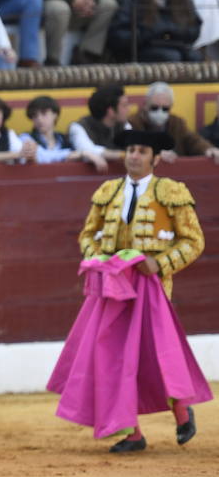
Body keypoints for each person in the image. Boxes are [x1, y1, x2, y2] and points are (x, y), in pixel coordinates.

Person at [56, 128, 208, 452]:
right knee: (113, 358)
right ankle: (132, 433)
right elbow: (88, 235)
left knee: (156, 356)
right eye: (130, 150)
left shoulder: (171, 192)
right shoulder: (108, 191)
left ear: (155, 157)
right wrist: (96, 258)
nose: (134, 155)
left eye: (141, 150)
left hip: (153, 290)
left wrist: (160, 264)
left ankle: (182, 412)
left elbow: (194, 241)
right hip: (113, 289)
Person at [127, 81, 219, 163]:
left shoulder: (177, 123)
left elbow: (193, 140)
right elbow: (132, 145)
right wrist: (155, 152)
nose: (160, 112)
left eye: (165, 109)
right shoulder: (134, 123)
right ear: (146, 104)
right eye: (154, 107)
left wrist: (208, 149)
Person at [25, 94, 106, 170]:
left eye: (44, 113)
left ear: (55, 114)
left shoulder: (64, 139)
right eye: (34, 115)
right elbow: (44, 156)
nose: (39, 119)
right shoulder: (26, 138)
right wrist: (81, 154)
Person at [69, 83, 128, 161]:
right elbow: (87, 150)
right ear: (111, 111)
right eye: (124, 105)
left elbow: (135, 145)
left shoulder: (124, 125)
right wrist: (122, 155)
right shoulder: (78, 127)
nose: (128, 109)